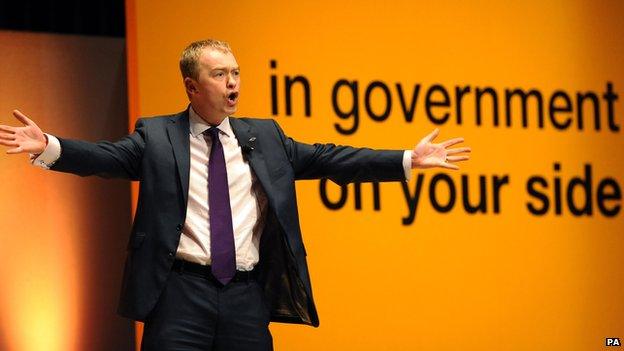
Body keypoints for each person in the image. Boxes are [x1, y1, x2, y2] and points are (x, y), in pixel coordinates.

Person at [0, 39, 470, 350]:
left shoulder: (265, 137)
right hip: (179, 294)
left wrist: (406, 159)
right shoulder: (159, 136)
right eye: (221, 74)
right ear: (191, 85)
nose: (234, 84)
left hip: (246, 296)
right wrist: (50, 147)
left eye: (236, 73)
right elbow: (106, 157)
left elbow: (331, 159)